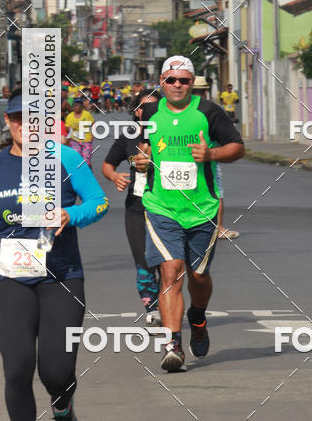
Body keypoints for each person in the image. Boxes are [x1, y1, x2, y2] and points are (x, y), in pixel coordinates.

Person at [0, 86, 109, 421]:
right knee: (17, 368)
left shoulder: (65, 158)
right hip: (13, 279)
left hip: (62, 276)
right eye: (17, 119)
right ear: (7, 124)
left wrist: (70, 214)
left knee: (56, 371)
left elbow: (99, 202)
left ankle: (63, 406)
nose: (26, 126)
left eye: (34, 119)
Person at [134, 56, 244, 371]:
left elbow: (237, 147)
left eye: (184, 80)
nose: (178, 85)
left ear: (192, 82)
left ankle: (197, 317)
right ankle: (173, 345)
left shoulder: (209, 112)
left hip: (202, 209)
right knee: (171, 272)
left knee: (198, 275)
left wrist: (212, 153)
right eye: (172, 80)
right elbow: (143, 148)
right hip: (160, 206)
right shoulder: (150, 112)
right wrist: (139, 161)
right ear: (162, 82)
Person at [102, 90, 162, 324]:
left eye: (154, 108)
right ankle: (152, 308)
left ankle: (168, 304)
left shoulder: (170, 132)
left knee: (168, 264)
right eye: (144, 108)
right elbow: (107, 165)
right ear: (136, 111)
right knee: (144, 260)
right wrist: (114, 176)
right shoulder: (128, 135)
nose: (148, 113)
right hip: (136, 207)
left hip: (166, 206)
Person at [194, 76, 239, 240]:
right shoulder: (212, 109)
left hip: (181, 157)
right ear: (206, 91)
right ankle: (219, 228)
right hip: (208, 159)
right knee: (216, 193)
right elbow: (227, 138)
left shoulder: (181, 110)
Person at [65, 98, 94, 166]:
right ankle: (78, 174)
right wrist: (71, 128)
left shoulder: (87, 114)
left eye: (79, 105)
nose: (77, 107)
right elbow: (67, 126)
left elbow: (93, 124)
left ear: (82, 106)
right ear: (73, 107)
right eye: (76, 105)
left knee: (87, 160)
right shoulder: (70, 116)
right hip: (75, 140)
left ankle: (88, 174)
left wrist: (92, 135)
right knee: (77, 157)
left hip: (86, 139)